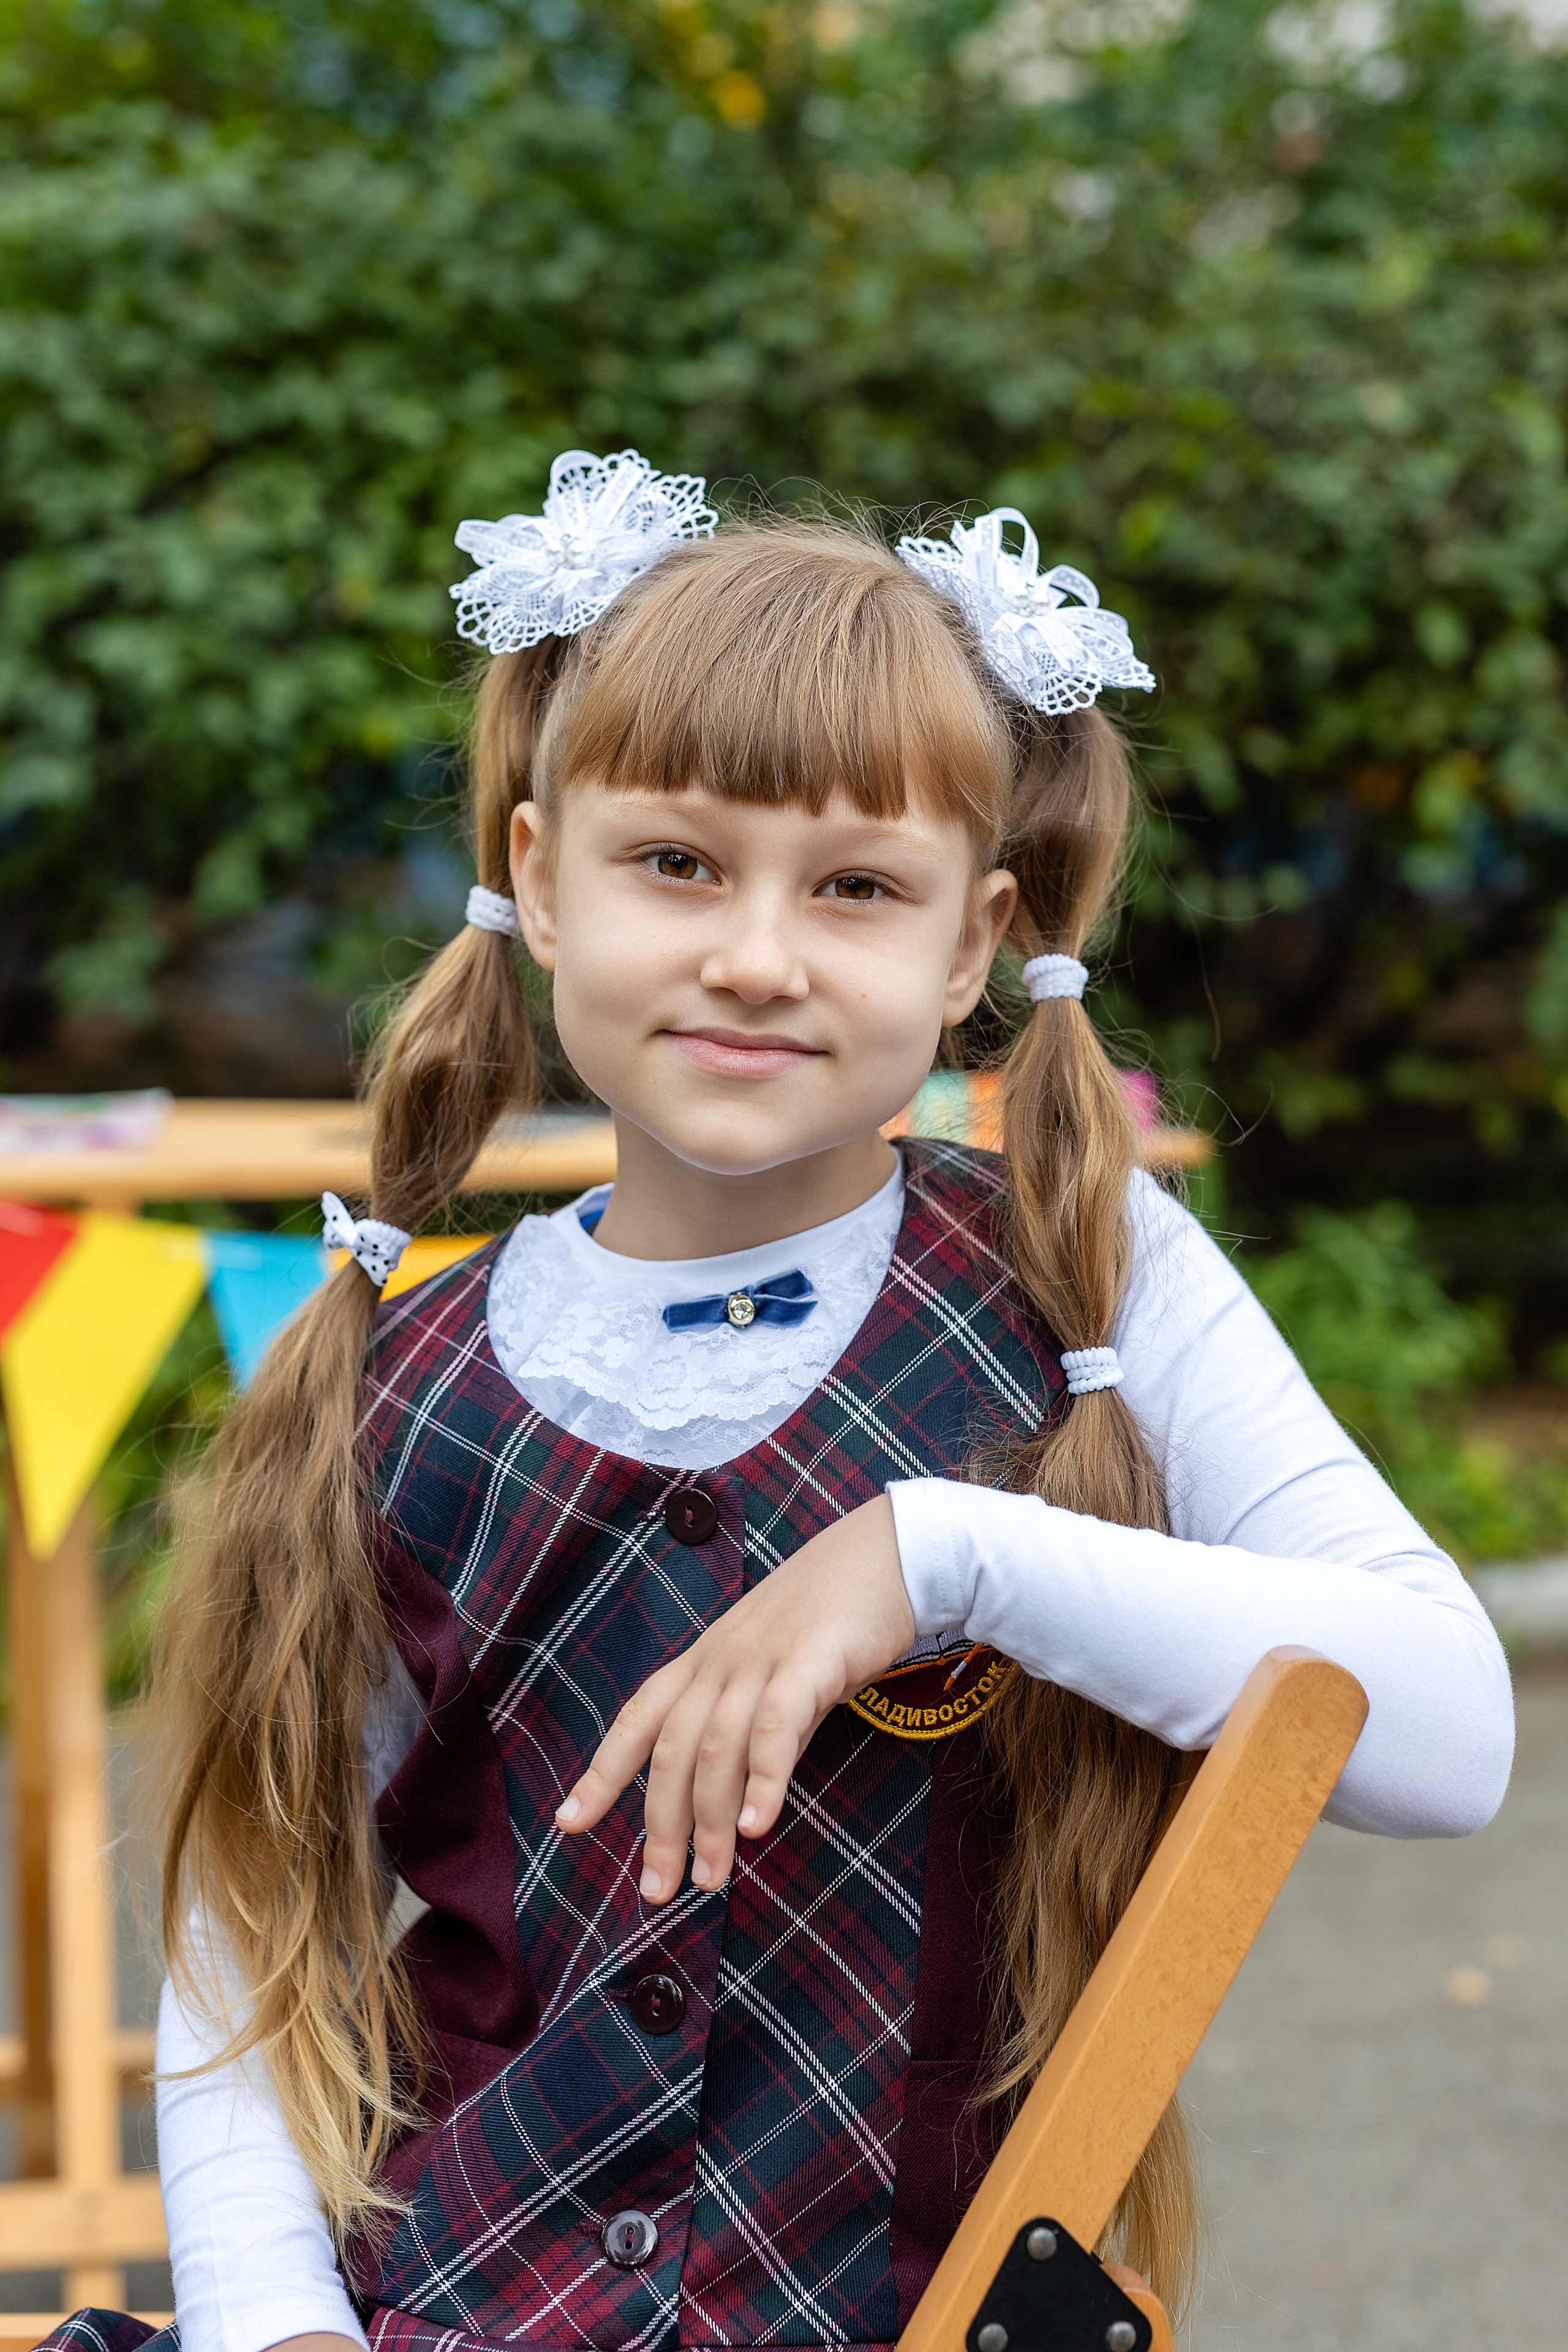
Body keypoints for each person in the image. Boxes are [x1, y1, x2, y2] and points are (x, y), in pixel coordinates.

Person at [43, 450, 1512, 2352]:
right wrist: (273, 2328)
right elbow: (259, 1929)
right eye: (676, 862)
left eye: (856, 889)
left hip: (917, 2310)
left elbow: (1448, 1733)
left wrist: (942, 1554)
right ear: (534, 879)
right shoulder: (394, 1370)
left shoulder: (1089, 1285)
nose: (755, 954)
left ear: (974, 942)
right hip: (465, 2303)